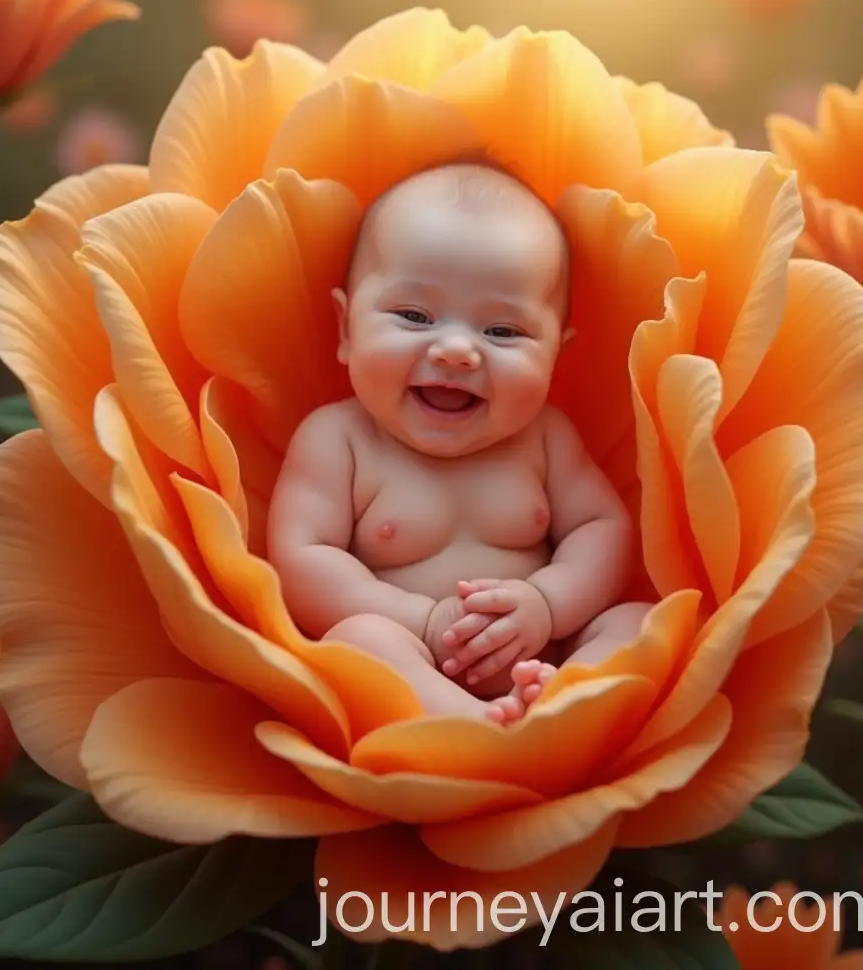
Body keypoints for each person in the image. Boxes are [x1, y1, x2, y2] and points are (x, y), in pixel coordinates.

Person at [266, 161, 651, 723]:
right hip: (413, 652)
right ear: (347, 329)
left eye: (503, 331)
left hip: (550, 655)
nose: (455, 350)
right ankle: (475, 733)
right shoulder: (339, 440)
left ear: (555, 355)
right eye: (414, 316)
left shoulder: (545, 438)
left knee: (640, 623)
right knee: (357, 641)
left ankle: (563, 705)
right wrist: (420, 619)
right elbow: (302, 561)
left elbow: (603, 529)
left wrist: (548, 604)